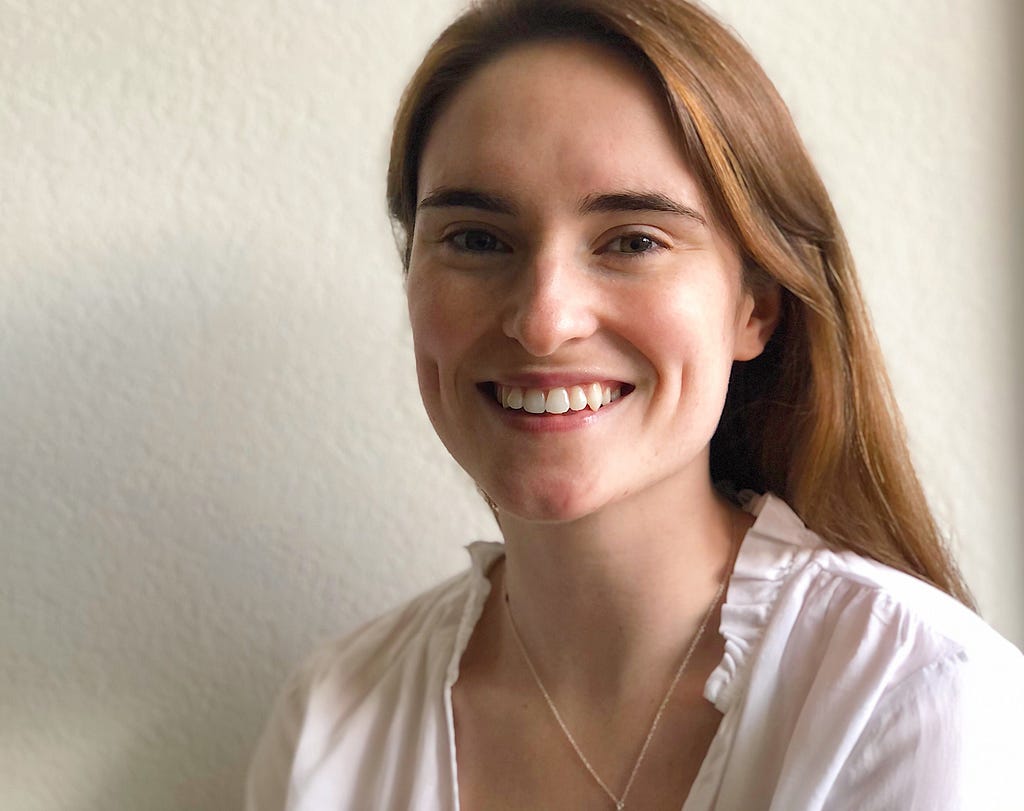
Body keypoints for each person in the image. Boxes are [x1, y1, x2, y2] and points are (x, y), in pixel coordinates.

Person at [246, 1, 1024, 808]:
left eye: (633, 240)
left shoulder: (919, 703)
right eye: (477, 238)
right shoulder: (328, 731)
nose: (545, 322)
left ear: (755, 304)